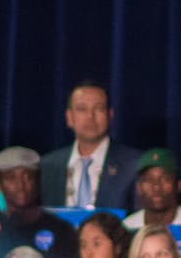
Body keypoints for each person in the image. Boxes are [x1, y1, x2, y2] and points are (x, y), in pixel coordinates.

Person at [0, 146, 80, 258]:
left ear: (38, 181)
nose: (21, 185)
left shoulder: (62, 230)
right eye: (11, 177)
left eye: (27, 176)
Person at [39, 80, 141, 211]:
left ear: (110, 116)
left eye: (98, 108)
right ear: (69, 117)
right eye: (82, 109)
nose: (90, 116)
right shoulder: (48, 165)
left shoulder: (133, 164)